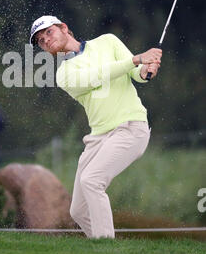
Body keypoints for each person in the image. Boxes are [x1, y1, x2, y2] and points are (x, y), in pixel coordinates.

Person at [30, 15, 162, 239]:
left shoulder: (107, 42)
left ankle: (107, 249)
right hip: (98, 138)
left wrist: (145, 70)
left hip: (130, 127)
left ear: (64, 27)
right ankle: (108, 248)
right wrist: (138, 59)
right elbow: (97, 76)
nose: (46, 41)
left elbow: (135, 74)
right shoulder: (63, 74)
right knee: (78, 210)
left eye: (49, 33)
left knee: (91, 180)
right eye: (41, 41)